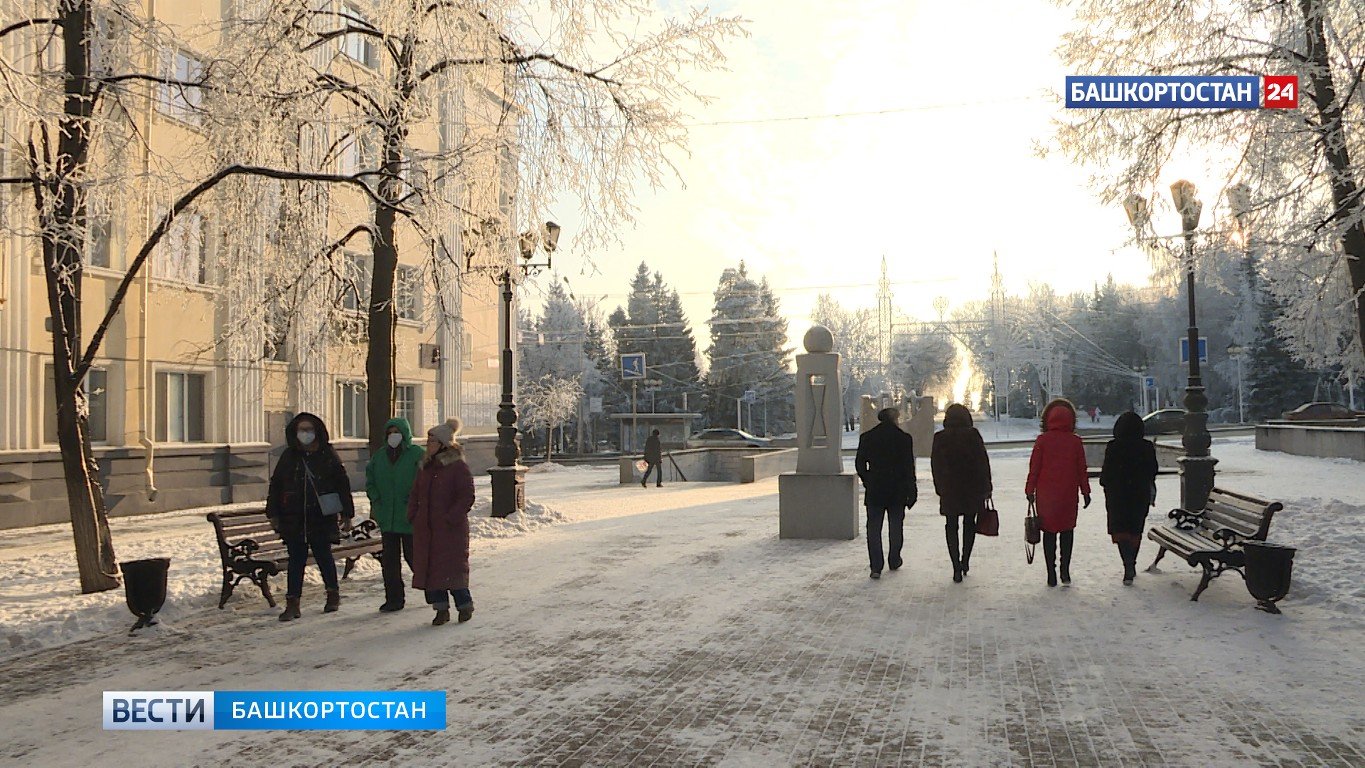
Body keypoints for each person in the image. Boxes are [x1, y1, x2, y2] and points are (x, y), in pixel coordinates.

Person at [265, 412, 355, 621]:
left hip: (320, 516)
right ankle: (292, 603)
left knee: (324, 556)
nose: (305, 434)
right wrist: (273, 513)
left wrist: (347, 512)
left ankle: (332, 594)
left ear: (317, 432)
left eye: (309, 430)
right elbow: (276, 484)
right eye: (301, 430)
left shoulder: (327, 454)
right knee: (296, 560)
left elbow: (342, 483)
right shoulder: (289, 456)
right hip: (294, 517)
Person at [408, 418, 476, 626]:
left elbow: (466, 496)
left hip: (449, 530)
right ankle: (440, 609)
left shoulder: (457, 467)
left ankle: (464, 605)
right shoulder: (425, 467)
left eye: (432, 442)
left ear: (443, 444)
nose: (428, 446)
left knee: (452, 571)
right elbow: (415, 493)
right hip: (427, 529)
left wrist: (451, 518)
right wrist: (413, 515)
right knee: (432, 572)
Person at [1024, 399, 1091, 587]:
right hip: (1068, 495)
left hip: (1046, 496)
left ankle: (1050, 573)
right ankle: (1065, 571)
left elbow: (1034, 469)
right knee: (1067, 532)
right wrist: (1085, 492)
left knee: (1049, 534)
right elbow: (1081, 470)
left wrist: (1030, 490)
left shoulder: (1042, 441)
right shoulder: (1075, 442)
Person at [366, 417, 424, 612]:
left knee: (414, 558)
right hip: (387, 519)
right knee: (389, 562)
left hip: (409, 518)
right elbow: (371, 481)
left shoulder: (416, 454)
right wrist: (376, 500)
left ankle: (434, 590)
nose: (393, 436)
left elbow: (426, 480)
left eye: (396, 432)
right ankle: (394, 598)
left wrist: (416, 500)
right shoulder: (380, 457)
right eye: (389, 433)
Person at [931, 403, 993, 583]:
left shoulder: (940, 438)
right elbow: (983, 462)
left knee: (951, 525)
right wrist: (987, 486)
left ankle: (955, 565)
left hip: (950, 488)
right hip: (971, 488)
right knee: (969, 523)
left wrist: (939, 486)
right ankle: (965, 559)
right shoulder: (973, 436)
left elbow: (935, 464)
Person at [855, 407, 917, 579]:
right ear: (896, 419)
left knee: (873, 528)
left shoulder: (867, 437)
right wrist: (911, 490)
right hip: (897, 489)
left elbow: (860, 464)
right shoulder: (904, 439)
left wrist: (868, 480)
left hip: (876, 489)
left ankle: (876, 566)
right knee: (896, 526)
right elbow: (908, 468)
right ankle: (894, 559)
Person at [1099, 411, 1159, 585]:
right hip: (1139, 493)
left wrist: (1107, 485)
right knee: (1135, 530)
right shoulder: (1146, 447)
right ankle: (1132, 561)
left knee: (1120, 529)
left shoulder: (1113, 446)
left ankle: (1127, 564)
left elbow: (1106, 472)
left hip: (1117, 494)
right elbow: (1153, 470)